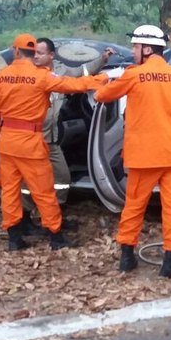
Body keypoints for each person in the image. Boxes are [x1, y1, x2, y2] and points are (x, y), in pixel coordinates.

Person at [94, 24, 171, 277]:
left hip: (144, 157)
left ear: (147, 49)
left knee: (134, 206)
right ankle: (170, 261)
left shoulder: (134, 75)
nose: (132, 51)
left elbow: (101, 96)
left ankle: (127, 257)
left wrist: (106, 77)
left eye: (136, 47)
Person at [0, 34, 107, 251]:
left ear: (15, 51)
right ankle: (56, 237)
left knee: (10, 191)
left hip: (7, 142)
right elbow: (73, 85)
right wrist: (101, 80)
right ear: (33, 53)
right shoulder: (41, 76)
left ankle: (14, 239)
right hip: (31, 142)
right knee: (44, 191)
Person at [18, 38, 112, 232]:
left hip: (51, 138)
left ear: (51, 56)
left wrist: (102, 60)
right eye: (34, 52)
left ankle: (55, 218)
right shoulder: (28, 74)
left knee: (62, 177)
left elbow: (82, 73)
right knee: (28, 181)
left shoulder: (60, 70)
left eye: (40, 53)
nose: (35, 56)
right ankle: (25, 219)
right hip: (31, 138)